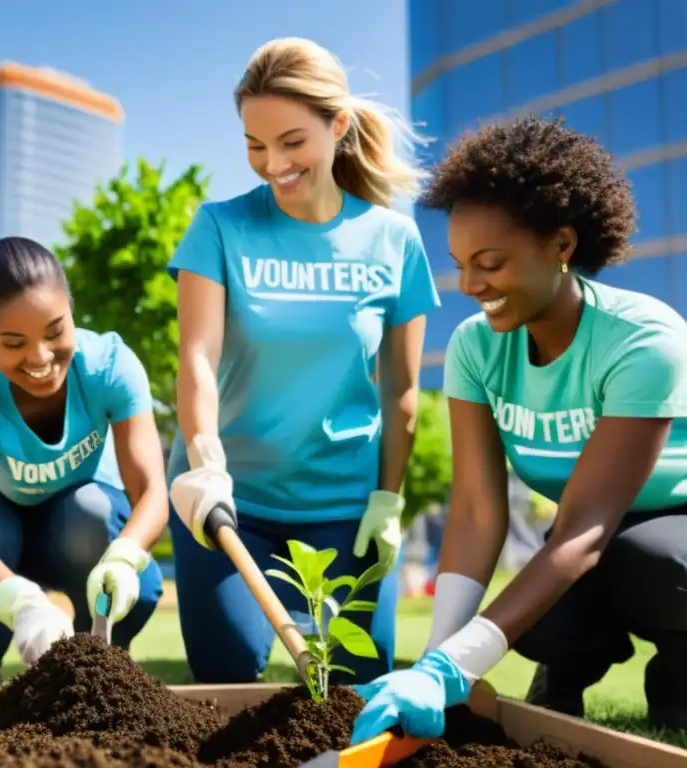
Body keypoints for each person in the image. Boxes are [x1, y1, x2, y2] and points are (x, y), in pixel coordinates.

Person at [349, 115, 687, 745]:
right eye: (459, 265)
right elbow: (477, 510)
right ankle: (565, 672)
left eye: (491, 263)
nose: (471, 286)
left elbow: (586, 528)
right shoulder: (476, 349)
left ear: (561, 245)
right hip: (591, 536)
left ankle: (678, 681)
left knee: (658, 559)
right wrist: (438, 660)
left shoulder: (644, 339)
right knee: (533, 615)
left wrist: (456, 664)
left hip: (666, 529)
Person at [167, 37, 441, 685]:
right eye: (254, 145)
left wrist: (388, 500)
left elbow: (401, 390)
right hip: (230, 504)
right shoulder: (219, 228)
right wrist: (205, 464)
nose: (272, 164)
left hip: (344, 508)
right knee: (228, 678)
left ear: (337, 125)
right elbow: (196, 358)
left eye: (292, 142)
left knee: (357, 684)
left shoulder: (392, 240)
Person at [0, 236, 167, 690]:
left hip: (69, 526)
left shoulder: (109, 367)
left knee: (115, 549)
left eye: (54, 331)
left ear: (70, 309)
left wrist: (124, 559)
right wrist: (23, 604)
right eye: (14, 343)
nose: (41, 358)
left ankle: (95, 675)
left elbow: (150, 494)